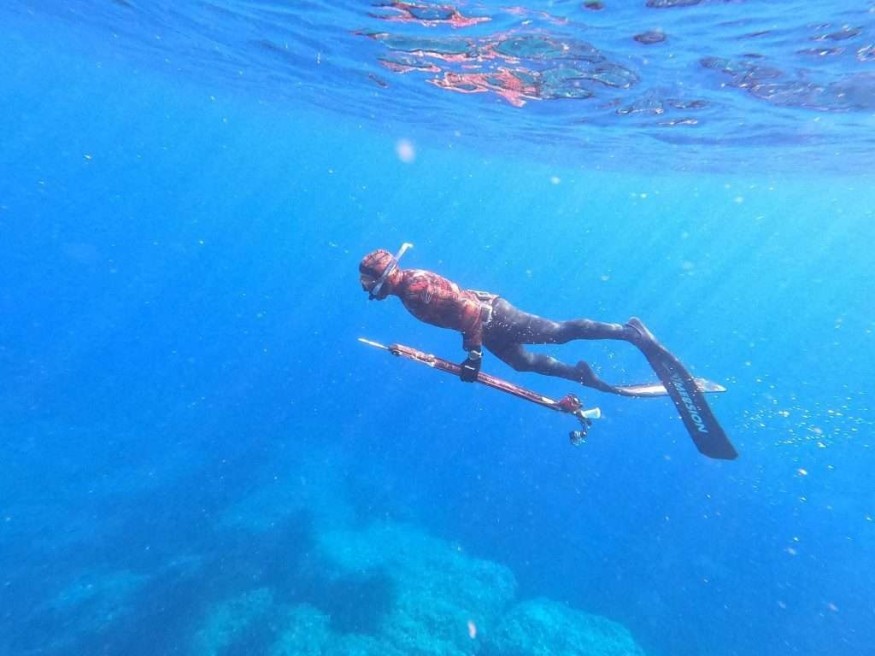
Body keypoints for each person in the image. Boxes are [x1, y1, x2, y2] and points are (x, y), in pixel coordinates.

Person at [359, 245, 662, 395]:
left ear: (385, 277)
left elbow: (469, 310)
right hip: (487, 326)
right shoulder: (408, 287)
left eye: (367, 282)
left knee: (558, 333)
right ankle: (580, 374)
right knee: (522, 363)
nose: (366, 288)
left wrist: (474, 357)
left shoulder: (415, 290)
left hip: (494, 317)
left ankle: (629, 332)